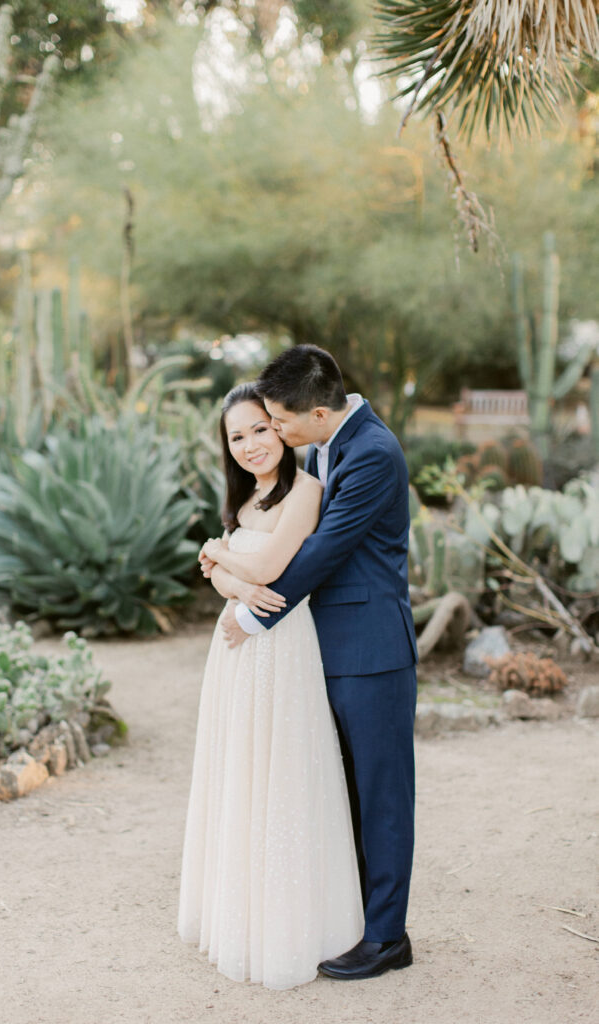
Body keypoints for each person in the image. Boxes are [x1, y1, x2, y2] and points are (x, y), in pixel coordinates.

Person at [211, 345, 418, 981]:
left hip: (371, 650)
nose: (273, 430)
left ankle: (387, 938)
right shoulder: (331, 444)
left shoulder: (374, 454)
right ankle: (353, 916)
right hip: (325, 646)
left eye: (279, 420)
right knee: (340, 791)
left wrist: (251, 613)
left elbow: (325, 552)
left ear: (318, 412)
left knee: (382, 795)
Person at [177, 382, 364, 990]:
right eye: (237, 436)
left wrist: (219, 559)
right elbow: (229, 578)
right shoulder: (245, 498)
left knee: (279, 773)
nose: (252, 444)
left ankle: (287, 925)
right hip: (235, 652)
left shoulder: (305, 491)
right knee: (239, 772)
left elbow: (269, 570)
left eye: (260, 429)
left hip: (281, 649)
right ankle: (240, 914)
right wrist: (226, 578)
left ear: (280, 428)